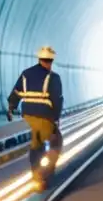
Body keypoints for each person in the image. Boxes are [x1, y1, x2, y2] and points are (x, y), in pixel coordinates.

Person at [7, 46, 63, 188]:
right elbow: (57, 99)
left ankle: (36, 175)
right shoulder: (53, 77)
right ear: (51, 61)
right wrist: (56, 118)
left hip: (28, 116)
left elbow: (16, 92)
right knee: (56, 143)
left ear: (39, 59)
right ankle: (46, 173)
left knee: (36, 145)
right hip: (45, 116)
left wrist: (11, 108)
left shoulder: (26, 74)